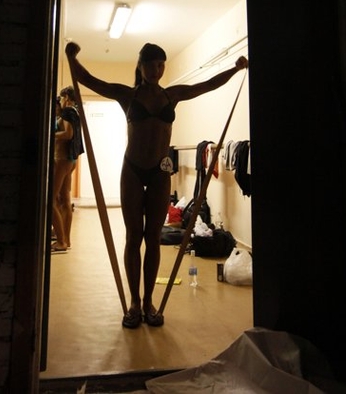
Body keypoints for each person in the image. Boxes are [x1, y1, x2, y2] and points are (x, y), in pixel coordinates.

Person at [65, 41, 248, 327]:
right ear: (140, 66)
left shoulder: (171, 95)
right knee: (133, 237)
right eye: (150, 64)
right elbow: (89, 80)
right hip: (133, 170)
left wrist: (235, 70)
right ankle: (134, 303)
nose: (156, 70)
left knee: (153, 238)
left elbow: (207, 85)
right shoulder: (127, 95)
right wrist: (72, 57)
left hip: (160, 171)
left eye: (161, 64)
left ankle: (149, 301)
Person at [51, 86, 84, 253]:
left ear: (68, 98)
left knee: (50, 201)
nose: (61, 101)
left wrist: (49, 135)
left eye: (62, 97)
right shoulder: (76, 113)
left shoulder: (67, 112)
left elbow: (67, 134)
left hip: (62, 158)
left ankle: (61, 241)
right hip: (70, 159)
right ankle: (66, 239)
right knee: (65, 199)